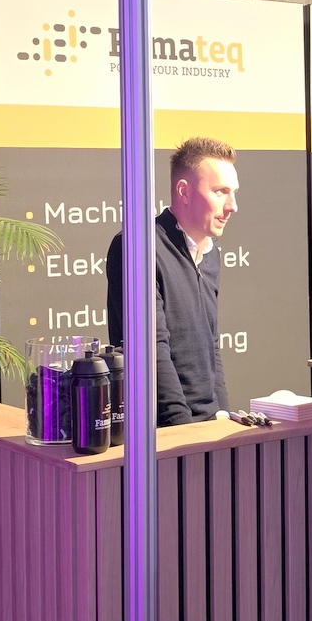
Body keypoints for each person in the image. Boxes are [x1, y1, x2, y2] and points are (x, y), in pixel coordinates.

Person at [106, 136, 237, 425]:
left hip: (209, 425)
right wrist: (181, 427)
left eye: (233, 193)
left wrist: (223, 414)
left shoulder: (211, 254)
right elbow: (151, 349)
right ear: (184, 191)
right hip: (160, 431)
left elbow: (211, 343)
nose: (232, 206)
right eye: (220, 192)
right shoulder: (137, 246)